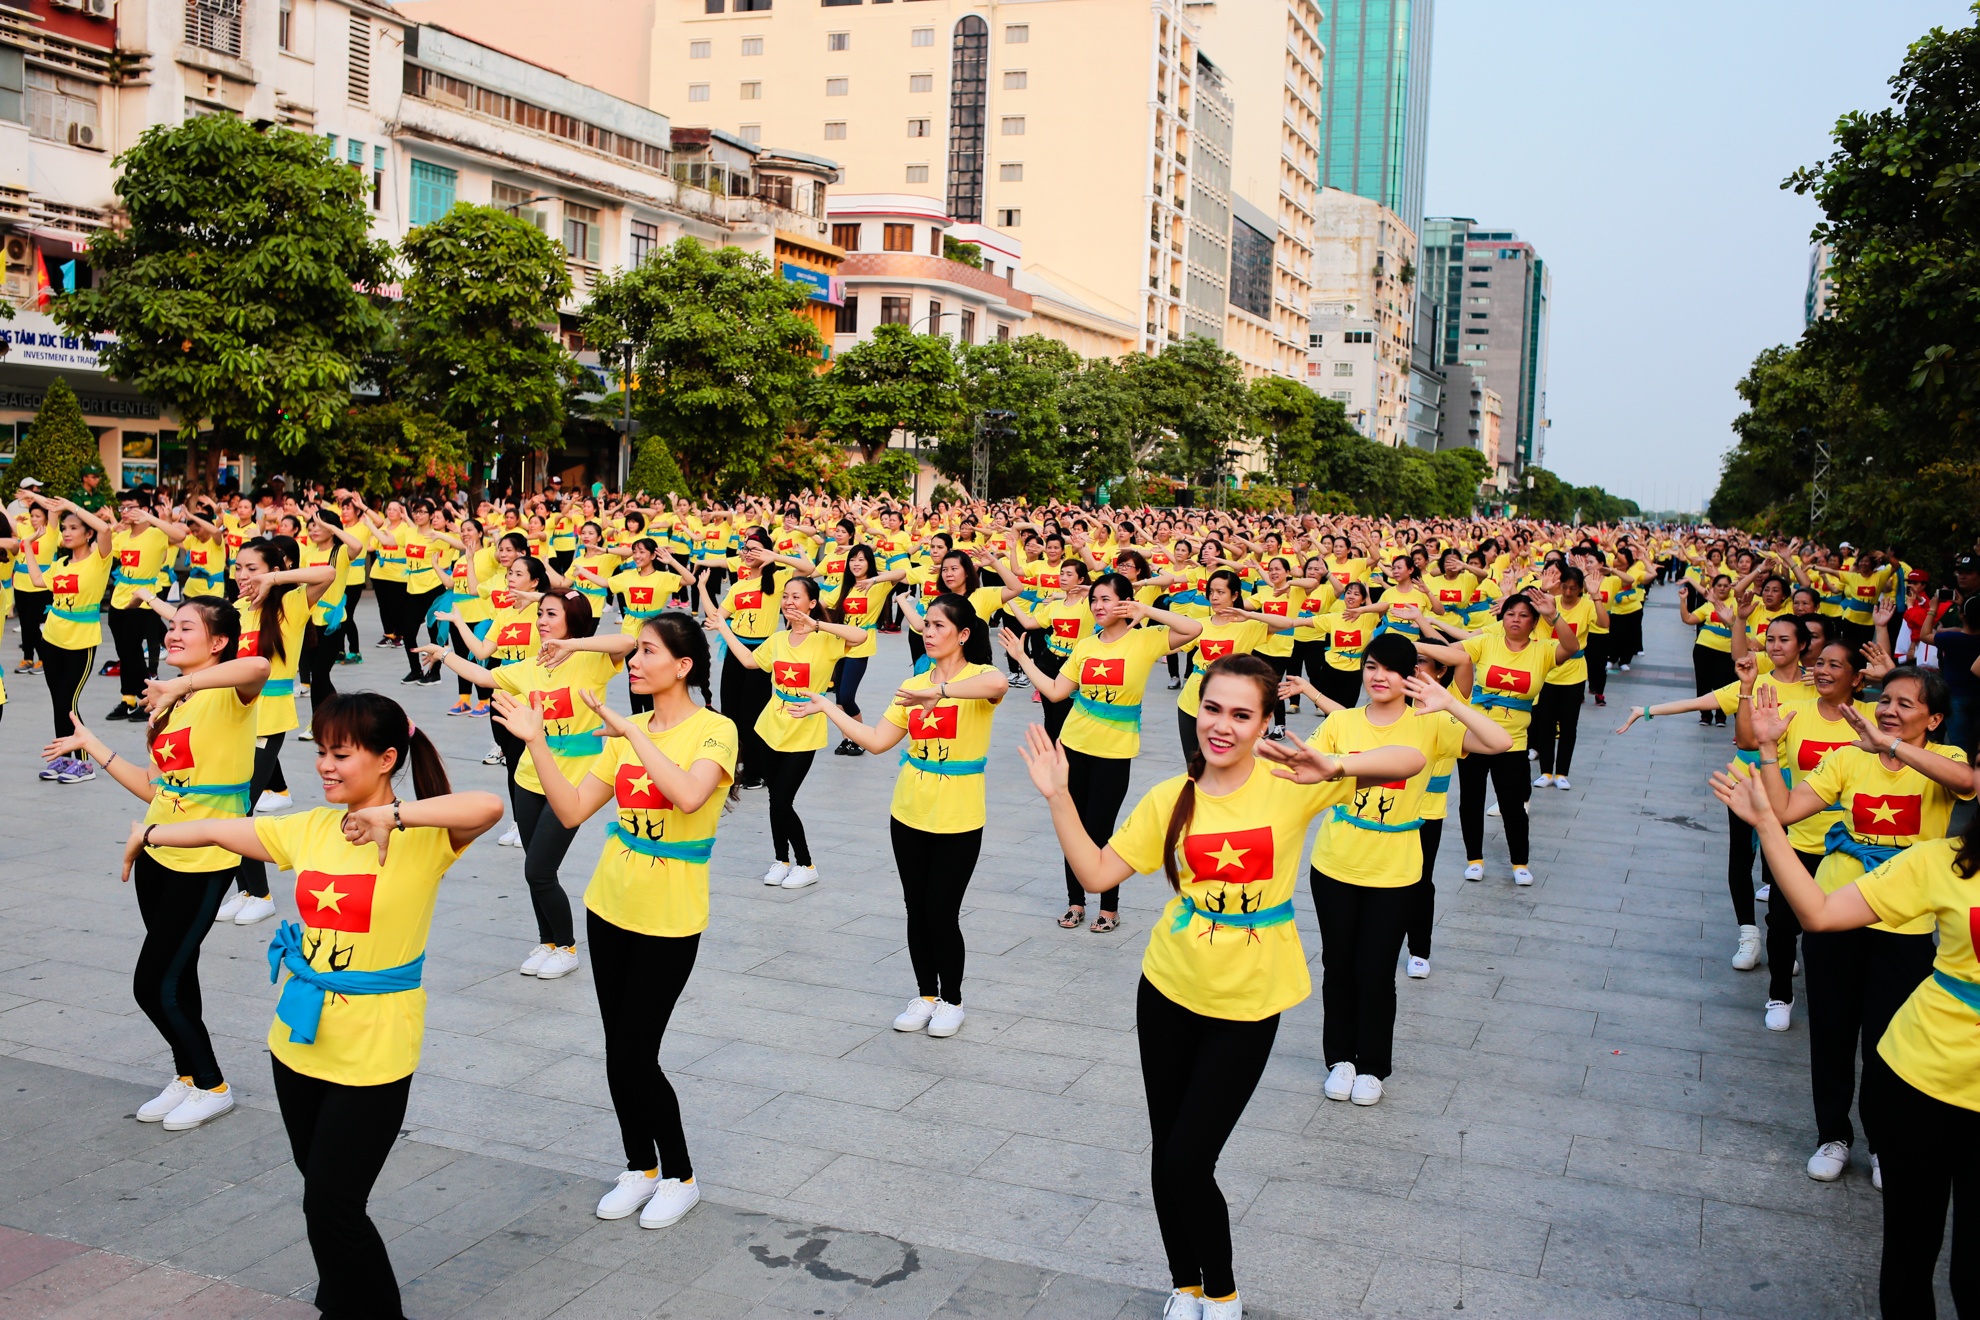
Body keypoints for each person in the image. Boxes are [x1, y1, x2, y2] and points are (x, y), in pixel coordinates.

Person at [1015, 656, 1424, 1320]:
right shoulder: (1168, 798)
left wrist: (1335, 766)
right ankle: (1186, 1283)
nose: (1222, 726)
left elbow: (1410, 758)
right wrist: (1058, 795)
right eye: (1212, 709)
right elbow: (1096, 874)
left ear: (1266, 722)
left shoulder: (1293, 781)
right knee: (1166, 1151)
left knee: (1187, 1159)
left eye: (1241, 714)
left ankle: (1224, 1291)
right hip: (1168, 990)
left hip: (1248, 1003)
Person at [120, 692, 502, 1320]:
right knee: (321, 1190)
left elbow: (487, 804)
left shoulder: (425, 836)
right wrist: (150, 832)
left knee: (332, 1204)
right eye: (322, 750)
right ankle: (341, 1300)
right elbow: (216, 829)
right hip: (297, 1040)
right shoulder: (310, 828)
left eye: (341, 754)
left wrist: (393, 818)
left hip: (375, 1049)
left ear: (386, 759)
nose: (325, 764)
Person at [492, 613, 737, 1230]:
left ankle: (680, 1175)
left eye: (648, 651)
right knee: (616, 1048)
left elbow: (688, 796)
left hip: (669, 916)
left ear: (682, 666)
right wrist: (537, 742)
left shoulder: (715, 730)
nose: (635, 661)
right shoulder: (628, 734)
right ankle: (640, 1166)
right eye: (637, 651)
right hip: (609, 906)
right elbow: (572, 809)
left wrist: (631, 731)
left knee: (635, 1053)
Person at [1712, 764, 1980, 1317]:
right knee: (1910, 1260)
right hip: (1920, 1085)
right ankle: (1837, 1135)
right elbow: (1821, 912)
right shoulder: (1942, 860)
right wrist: (1768, 826)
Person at [42, 597, 268, 1130]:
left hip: (207, 858)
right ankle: (188, 1075)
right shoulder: (170, 704)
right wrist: (94, 745)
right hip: (157, 851)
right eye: (172, 625)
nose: (173, 634)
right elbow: (155, 788)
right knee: (177, 974)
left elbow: (258, 665)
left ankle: (213, 1085)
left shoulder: (231, 693)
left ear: (217, 642)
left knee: (152, 984)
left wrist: (180, 684)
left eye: (187, 627)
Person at [1742, 672, 1973, 1187]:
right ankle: (1833, 1135)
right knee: (1832, 1030)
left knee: (1887, 1041)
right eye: (1884, 700)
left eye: (1905, 704)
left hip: (1907, 925)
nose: (1888, 710)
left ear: (1934, 718)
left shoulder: (1948, 758)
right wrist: (1769, 747)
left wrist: (1890, 746)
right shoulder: (1848, 757)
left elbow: (1965, 784)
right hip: (1835, 910)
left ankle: (1883, 1143)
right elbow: (1783, 811)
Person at [1302, 634, 1509, 1104]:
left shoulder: (1430, 723)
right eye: (1371, 666)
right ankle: (1341, 1060)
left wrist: (1450, 703)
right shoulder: (1341, 722)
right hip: (1334, 863)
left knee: (1376, 970)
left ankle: (1372, 1067)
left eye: (1392, 669)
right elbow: (1307, 768)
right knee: (1338, 965)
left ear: (1411, 676)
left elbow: (1499, 742)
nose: (1379, 677)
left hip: (1395, 870)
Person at [798, 594, 1008, 1037]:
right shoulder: (912, 684)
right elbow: (877, 741)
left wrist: (939, 691)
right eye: (926, 624)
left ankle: (952, 1000)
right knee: (916, 907)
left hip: (959, 816)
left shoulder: (977, 677)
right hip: (909, 810)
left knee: (942, 911)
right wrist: (829, 707)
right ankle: (926, 995)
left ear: (963, 634)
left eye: (939, 626)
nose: (929, 632)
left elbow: (999, 684)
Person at [420, 591, 633, 979]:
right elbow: (484, 676)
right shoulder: (528, 666)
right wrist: (443, 653)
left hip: (573, 781)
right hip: (529, 777)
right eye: (540, 614)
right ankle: (547, 942)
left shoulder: (592, 661)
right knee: (534, 866)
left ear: (572, 620)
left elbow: (627, 640)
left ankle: (566, 946)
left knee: (539, 869)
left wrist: (572, 645)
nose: (542, 621)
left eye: (551, 614)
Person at [999, 573, 1201, 932]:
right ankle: (1075, 903)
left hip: (1114, 753)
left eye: (1106, 599)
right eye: (1094, 599)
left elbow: (1193, 628)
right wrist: (1022, 659)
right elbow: (1056, 691)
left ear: (1125, 602)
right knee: (1072, 825)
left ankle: (1109, 908)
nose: (1097, 606)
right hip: (1073, 746)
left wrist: (1145, 609)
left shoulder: (1145, 640)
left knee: (1101, 829)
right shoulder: (1085, 646)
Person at [1616, 615, 1817, 970]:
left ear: (1803, 645)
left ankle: (1782, 939)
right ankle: (1748, 934)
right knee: (1741, 857)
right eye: (1770, 639)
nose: (1775, 646)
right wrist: (1645, 710)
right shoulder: (1753, 682)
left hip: (1796, 789)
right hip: (1746, 783)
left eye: (1785, 639)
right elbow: (1699, 703)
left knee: (1784, 863)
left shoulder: (1818, 687)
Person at [705, 576, 869, 889]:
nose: (789, 602)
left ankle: (806, 864)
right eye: (785, 596)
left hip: (804, 731)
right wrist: (724, 627)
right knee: (774, 800)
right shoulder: (778, 640)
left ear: (812, 602)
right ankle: (781, 860)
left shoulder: (826, 640)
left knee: (782, 799)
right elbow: (749, 661)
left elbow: (860, 636)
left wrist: (816, 624)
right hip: (770, 727)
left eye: (796, 597)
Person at [1414, 590, 1577, 888]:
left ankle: (1520, 864)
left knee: (1513, 805)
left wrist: (1554, 616)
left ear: (1534, 622)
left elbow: (1572, 646)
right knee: (1471, 801)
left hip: (1513, 741)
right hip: (1473, 735)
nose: (1515, 619)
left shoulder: (1544, 650)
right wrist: (1410, 642)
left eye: (1523, 615)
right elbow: (1452, 652)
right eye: (1510, 613)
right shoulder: (1486, 641)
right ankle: (1474, 860)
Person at [21, 492, 115, 784]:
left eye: (74, 528)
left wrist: (70, 507)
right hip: (52, 639)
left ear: (88, 534)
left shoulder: (99, 560)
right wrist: (28, 546)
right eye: (64, 528)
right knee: (58, 701)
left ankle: (84, 763)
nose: (67, 532)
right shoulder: (61, 564)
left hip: (81, 642)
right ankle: (64, 758)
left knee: (68, 702)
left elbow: (106, 529)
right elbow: (38, 580)